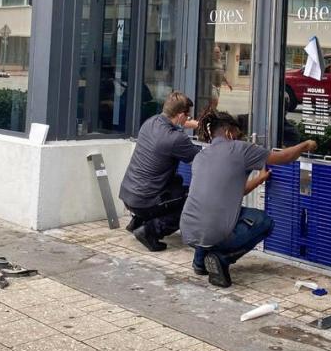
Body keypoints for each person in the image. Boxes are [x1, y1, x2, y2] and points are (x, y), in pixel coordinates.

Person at [180, 111, 316, 288]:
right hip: (214, 229)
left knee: (211, 215)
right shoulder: (241, 149)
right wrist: (305, 145)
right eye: (237, 133)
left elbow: (229, 193)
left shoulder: (200, 156)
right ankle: (221, 259)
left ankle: (200, 262)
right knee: (265, 222)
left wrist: (259, 179)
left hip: (188, 229)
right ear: (229, 132)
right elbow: (283, 158)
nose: (240, 136)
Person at [119, 91, 200, 252]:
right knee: (192, 202)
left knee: (175, 181)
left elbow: (174, 124)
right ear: (181, 115)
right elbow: (201, 161)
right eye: (188, 116)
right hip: (145, 200)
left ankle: (139, 220)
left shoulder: (150, 122)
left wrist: (195, 125)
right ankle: (150, 231)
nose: (189, 119)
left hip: (128, 195)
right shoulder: (176, 139)